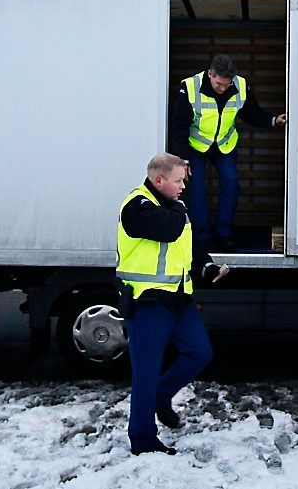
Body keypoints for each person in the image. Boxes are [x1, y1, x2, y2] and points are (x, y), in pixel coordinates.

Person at [117, 152, 229, 455]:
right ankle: (143, 441)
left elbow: (189, 243)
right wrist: (179, 206)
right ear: (159, 180)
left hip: (180, 301)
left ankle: (160, 396)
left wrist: (206, 266)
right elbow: (169, 229)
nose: (183, 186)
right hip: (149, 304)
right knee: (146, 374)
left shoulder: (173, 206)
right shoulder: (137, 205)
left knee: (199, 352)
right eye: (179, 181)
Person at [169, 54, 287, 251]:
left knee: (231, 183)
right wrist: (183, 160)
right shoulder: (189, 87)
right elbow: (179, 126)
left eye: (226, 84)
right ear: (210, 75)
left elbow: (251, 113)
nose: (222, 88)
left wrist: (273, 120)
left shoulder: (241, 85)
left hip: (225, 144)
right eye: (218, 84)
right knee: (196, 188)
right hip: (195, 145)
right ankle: (202, 237)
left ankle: (225, 234)